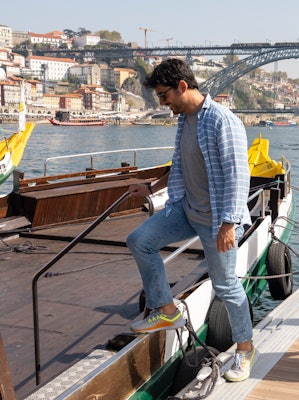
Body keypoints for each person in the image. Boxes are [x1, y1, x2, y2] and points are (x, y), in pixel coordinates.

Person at [126, 58, 255, 383]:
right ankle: (167, 311)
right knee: (140, 241)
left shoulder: (222, 121)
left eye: (164, 95)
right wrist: (151, 187)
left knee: (226, 286)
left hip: (218, 221)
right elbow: (181, 164)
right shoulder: (185, 120)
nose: (162, 102)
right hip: (187, 210)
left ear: (182, 86)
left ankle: (245, 348)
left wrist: (229, 224)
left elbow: (239, 176)